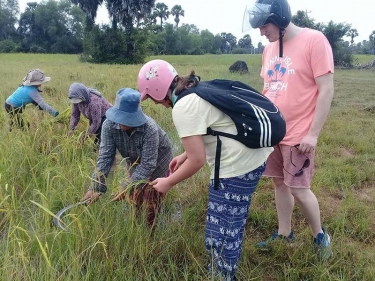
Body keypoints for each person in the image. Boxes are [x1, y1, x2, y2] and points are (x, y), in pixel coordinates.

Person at [137, 59, 273, 281]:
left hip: (235, 168)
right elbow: (214, 126)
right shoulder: (195, 88)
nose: (153, 102)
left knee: (219, 236)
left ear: (157, 91)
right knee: (233, 224)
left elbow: (198, 160)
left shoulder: (182, 107)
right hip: (254, 158)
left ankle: (222, 276)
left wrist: (168, 183)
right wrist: (184, 155)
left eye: (150, 97)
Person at [244, 0, 334, 260]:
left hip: (299, 134)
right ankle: (285, 233)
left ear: (281, 18)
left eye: (264, 25)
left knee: (299, 188)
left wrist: (313, 133)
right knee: (279, 183)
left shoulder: (314, 41)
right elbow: (269, 88)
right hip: (273, 131)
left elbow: (326, 89)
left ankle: (320, 235)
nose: (261, 32)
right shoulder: (269, 49)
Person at [82, 88, 173, 228]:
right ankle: (136, 224)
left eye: (128, 119)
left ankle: (150, 231)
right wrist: (96, 187)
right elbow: (105, 157)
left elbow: (149, 165)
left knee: (151, 200)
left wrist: (124, 187)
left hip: (159, 162)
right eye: (121, 117)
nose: (123, 122)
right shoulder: (108, 126)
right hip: (135, 161)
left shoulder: (150, 129)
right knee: (134, 196)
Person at [68, 82, 112, 149]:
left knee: (99, 139)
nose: (78, 103)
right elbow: (75, 115)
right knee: (94, 132)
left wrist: (86, 137)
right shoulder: (76, 99)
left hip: (106, 117)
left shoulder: (94, 102)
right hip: (93, 118)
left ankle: (97, 152)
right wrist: (71, 129)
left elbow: (96, 122)